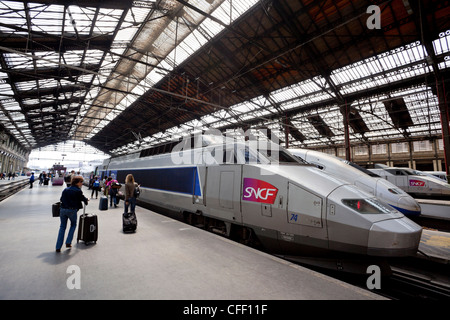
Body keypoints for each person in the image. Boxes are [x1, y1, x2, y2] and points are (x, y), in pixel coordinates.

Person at [55, 175, 89, 252]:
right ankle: (68, 242)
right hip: (72, 211)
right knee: (73, 225)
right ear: (77, 182)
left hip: (63, 210)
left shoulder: (66, 189)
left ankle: (58, 246)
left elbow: (61, 199)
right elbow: (83, 199)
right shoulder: (78, 191)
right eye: (81, 182)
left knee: (62, 227)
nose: (82, 183)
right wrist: (87, 200)